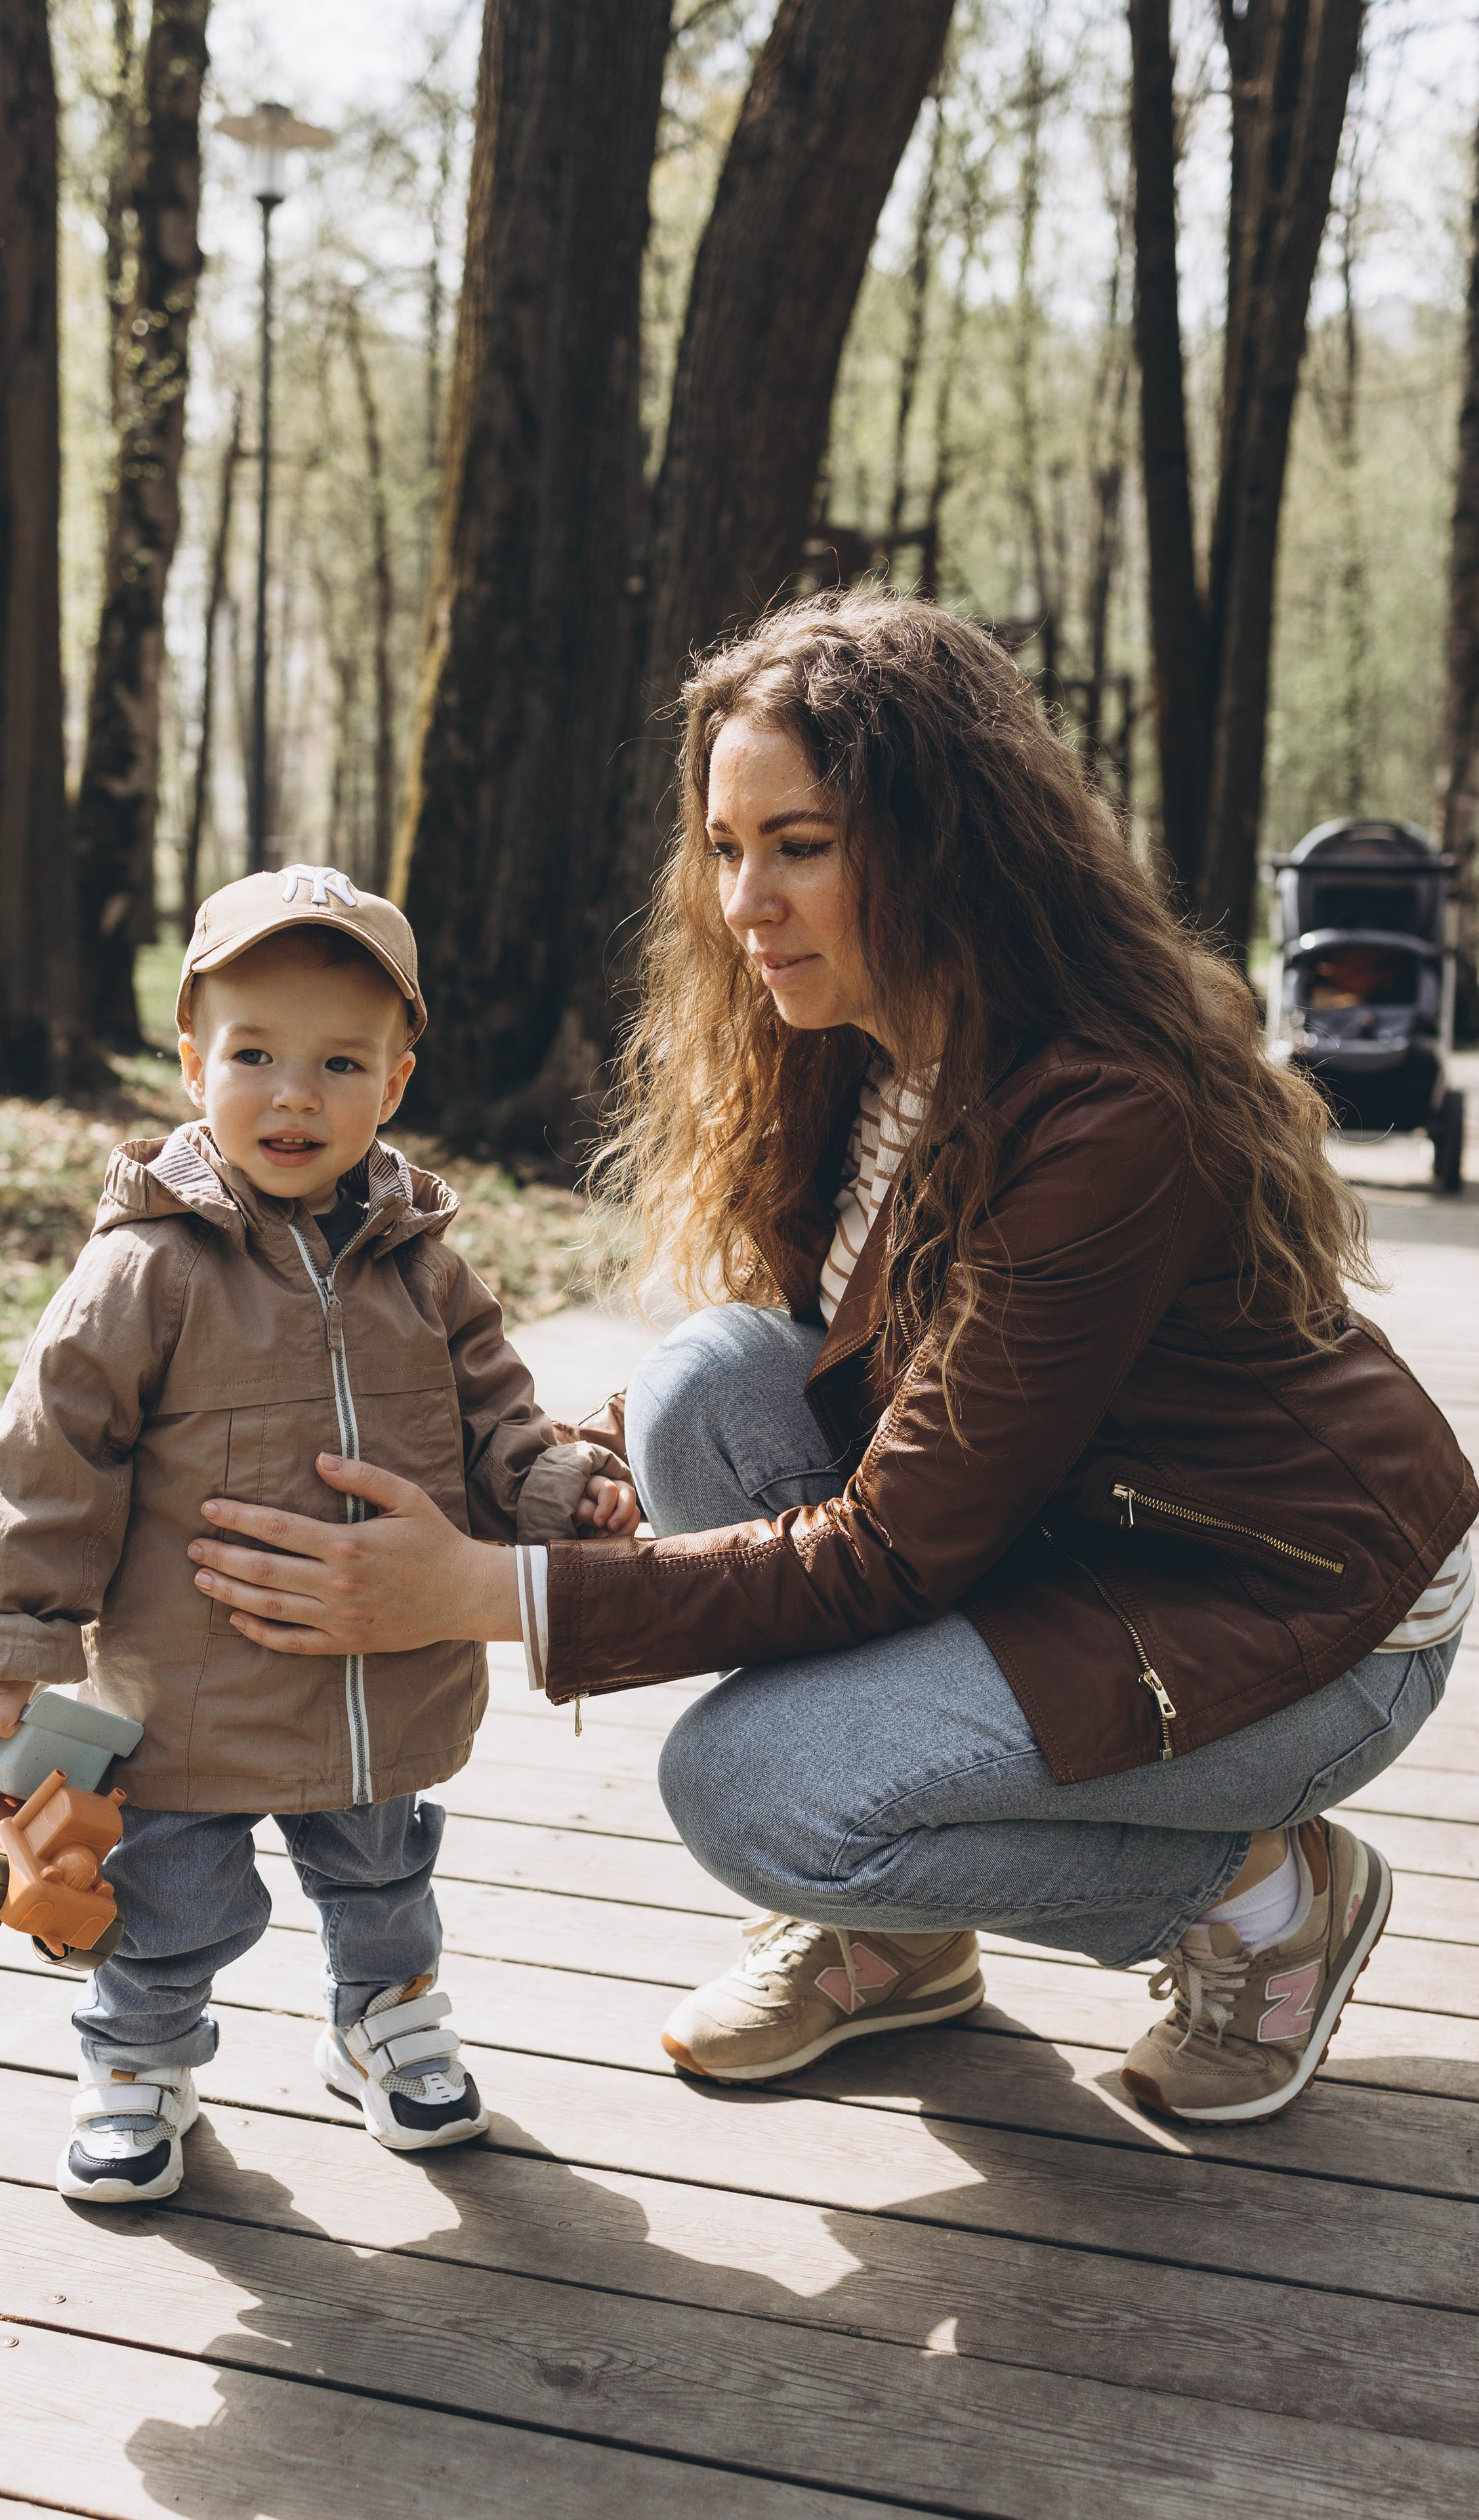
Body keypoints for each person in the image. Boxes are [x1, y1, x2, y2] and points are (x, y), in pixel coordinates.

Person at [178, 602, 1475, 2130]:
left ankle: (1266, 1899)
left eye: (797, 845)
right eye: (724, 850)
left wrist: (478, 1591)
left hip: (1290, 1613)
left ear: (945, 840)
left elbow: (894, 1543)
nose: (744, 901)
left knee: (754, 1790)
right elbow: (832, 1390)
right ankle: (897, 1941)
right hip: (1064, 1538)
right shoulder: (862, 1039)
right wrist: (568, 1466)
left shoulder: (1105, 1110)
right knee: (702, 1385)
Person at [0, 866, 636, 2202]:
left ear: (394, 1082)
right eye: (253, 1054)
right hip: (188, 1695)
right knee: (168, 1906)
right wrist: (14, 1636)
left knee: (385, 1871)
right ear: (194, 1060)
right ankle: (139, 2060)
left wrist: (557, 1490)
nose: (290, 1095)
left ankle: (384, 2017)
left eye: (337, 1062)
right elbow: (51, 1454)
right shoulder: (148, 1267)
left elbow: (494, 1422)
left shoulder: (424, 1264)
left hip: (387, 1681)